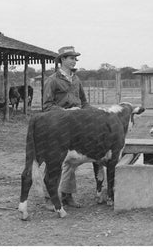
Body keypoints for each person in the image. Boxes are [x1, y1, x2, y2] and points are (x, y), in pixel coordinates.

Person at [43, 46, 91, 208]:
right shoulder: (52, 80)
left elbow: (84, 102)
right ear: (62, 59)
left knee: (72, 160)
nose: (74, 61)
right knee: (54, 160)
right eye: (71, 58)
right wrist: (66, 111)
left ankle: (67, 195)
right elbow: (47, 106)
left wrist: (93, 115)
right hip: (58, 124)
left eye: (75, 58)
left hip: (75, 126)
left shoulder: (76, 79)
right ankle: (50, 197)